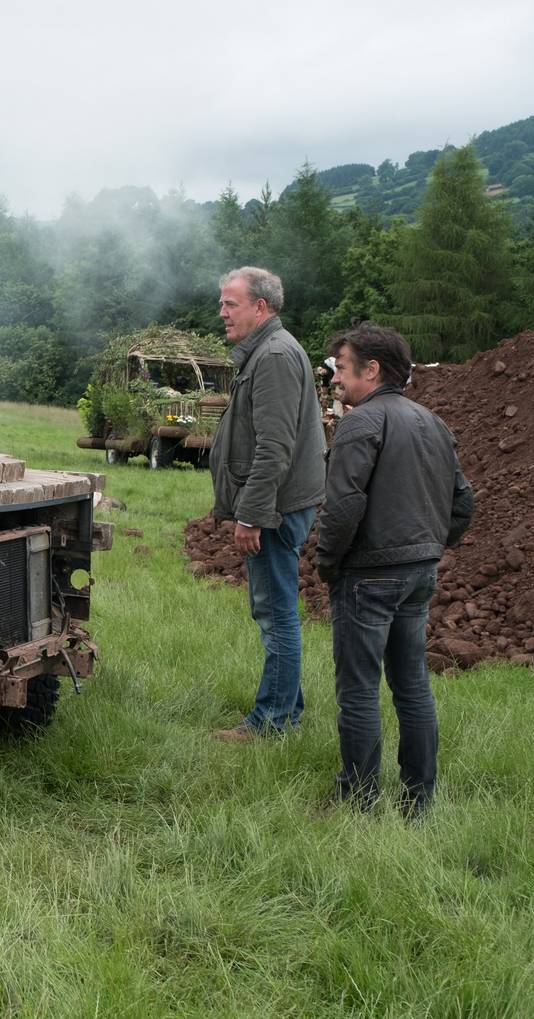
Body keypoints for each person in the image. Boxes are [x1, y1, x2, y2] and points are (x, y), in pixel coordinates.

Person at [316, 323, 474, 817]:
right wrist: (430, 546)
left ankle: (357, 801)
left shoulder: (361, 424)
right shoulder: (433, 422)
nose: (336, 378)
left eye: (342, 368)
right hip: (419, 573)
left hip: (368, 576)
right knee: (412, 685)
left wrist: (327, 564)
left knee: (359, 688)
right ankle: (418, 801)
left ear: (372, 369)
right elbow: (463, 503)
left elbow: (342, 508)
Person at [209, 267, 328, 741]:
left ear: (261, 307)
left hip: (276, 508)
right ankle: (286, 708)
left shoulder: (274, 355)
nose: (222, 311)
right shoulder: (268, 351)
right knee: (274, 608)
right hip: (279, 503)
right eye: (221, 302)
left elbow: (274, 446)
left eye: (230, 303)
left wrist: (252, 514)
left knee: (275, 611)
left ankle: (272, 722)